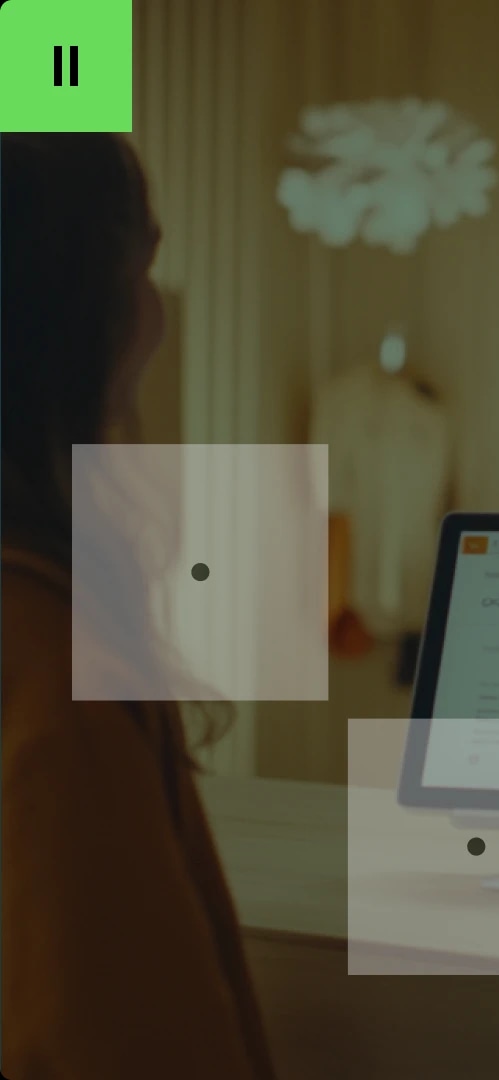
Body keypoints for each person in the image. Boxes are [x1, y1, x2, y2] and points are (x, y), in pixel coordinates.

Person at [1, 133, 277, 1077]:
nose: (158, 310)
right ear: (63, 316)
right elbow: (111, 1043)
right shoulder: (47, 655)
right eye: (144, 266)